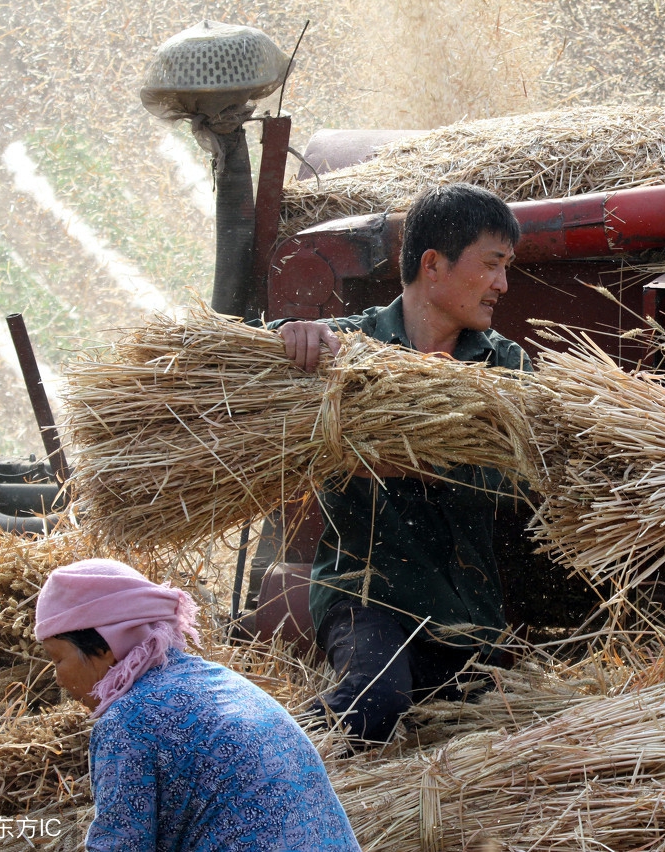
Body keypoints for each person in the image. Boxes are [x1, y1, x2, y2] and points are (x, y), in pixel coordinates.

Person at [273, 183, 529, 743]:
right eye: (492, 265)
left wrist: (408, 459)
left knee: (481, 734)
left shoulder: (503, 366)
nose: (502, 285)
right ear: (433, 264)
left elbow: (520, 477)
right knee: (373, 704)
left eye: (506, 268)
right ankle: (243, 760)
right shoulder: (347, 345)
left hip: (464, 613)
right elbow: (248, 372)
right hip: (366, 595)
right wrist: (292, 335)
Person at [35, 558, 359, 851]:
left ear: (106, 646)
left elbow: (121, 844)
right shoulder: (216, 681)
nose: (59, 679)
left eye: (57, 658)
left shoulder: (130, 720)